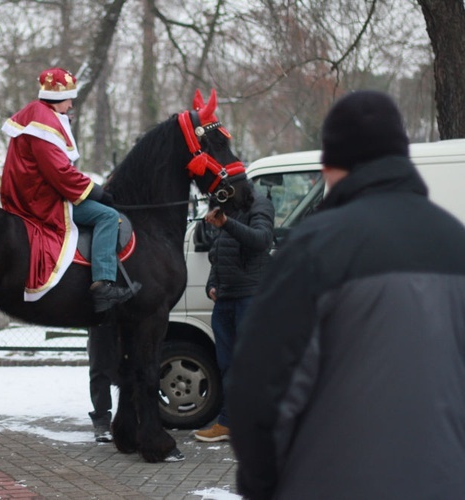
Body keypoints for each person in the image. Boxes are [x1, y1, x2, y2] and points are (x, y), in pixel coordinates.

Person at [228, 91, 465, 499]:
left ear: (329, 166)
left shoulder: (312, 248)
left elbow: (258, 394)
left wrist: (261, 485)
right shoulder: (456, 243)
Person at [0, 67, 139, 312]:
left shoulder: (35, 115)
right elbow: (59, 172)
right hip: (41, 199)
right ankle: (103, 285)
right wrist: (96, 192)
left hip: (30, 193)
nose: (71, 104)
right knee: (107, 216)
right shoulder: (44, 124)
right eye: (68, 99)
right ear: (57, 99)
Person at [192, 172, 275, 444]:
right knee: (228, 365)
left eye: (223, 191)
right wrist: (212, 284)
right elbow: (219, 253)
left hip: (251, 296)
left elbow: (262, 240)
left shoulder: (259, 205)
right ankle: (229, 423)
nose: (220, 197)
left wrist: (226, 223)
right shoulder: (227, 208)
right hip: (226, 298)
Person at [87, 323, 118, 442]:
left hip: (129, 312)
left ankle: (132, 417)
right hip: (101, 313)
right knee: (99, 363)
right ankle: (101, 420)